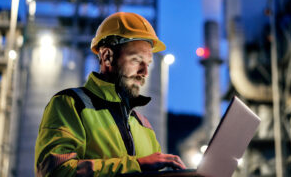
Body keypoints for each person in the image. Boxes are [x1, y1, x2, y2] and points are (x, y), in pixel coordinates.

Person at [35, 12, 186, 176]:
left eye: (147, 63)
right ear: (107, 56)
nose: (144, 72)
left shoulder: (144, 125)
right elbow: (55, 171)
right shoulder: (71, 105)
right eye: (136, 60)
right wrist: (135, 165)